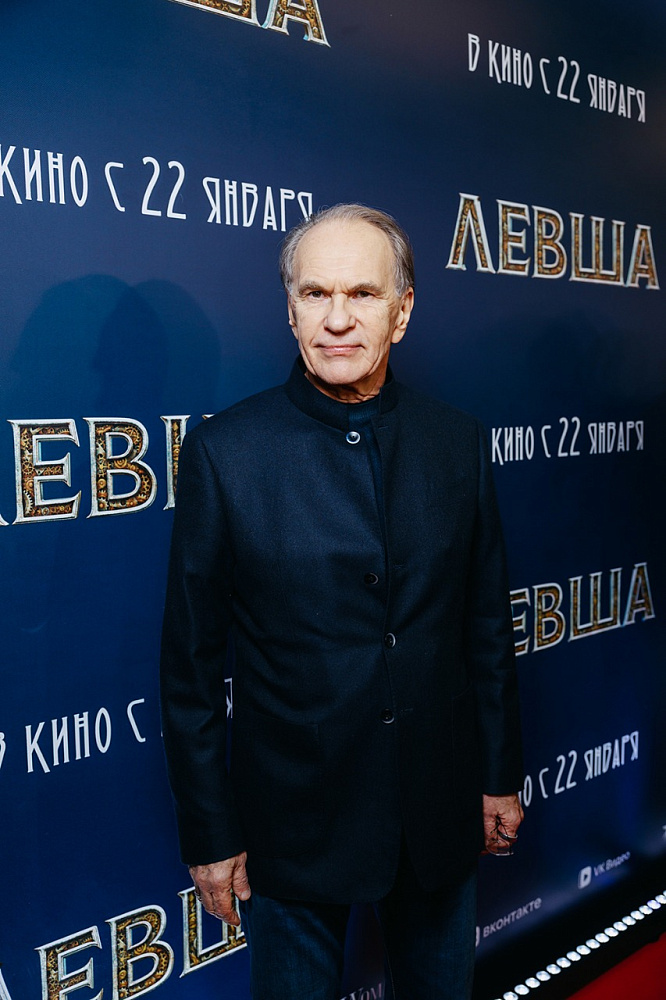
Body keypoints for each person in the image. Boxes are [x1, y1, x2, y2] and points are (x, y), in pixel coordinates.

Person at [160, 203, 524, 999]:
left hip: (436, 808)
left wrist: (499, 773)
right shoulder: (227, 452)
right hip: (292, 821)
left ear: (403, 311)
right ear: (290, 311)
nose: (336, 319)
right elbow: (190, 666)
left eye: (362, 293)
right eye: (315, 294)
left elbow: (486, 626)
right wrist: (210, 830)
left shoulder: (457, 440)